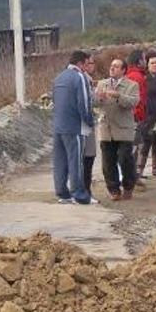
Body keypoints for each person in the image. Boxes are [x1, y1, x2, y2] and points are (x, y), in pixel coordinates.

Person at [52, 50, 94, 205]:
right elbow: (83, 102)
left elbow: (54, 101)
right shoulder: (79, 77)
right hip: (74, 126)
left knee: (60, 161)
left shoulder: (59, 77)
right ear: (81, 63)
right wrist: (89, 121)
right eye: (86, 63)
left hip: (58, 125)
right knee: (76, 161)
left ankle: (62, 193)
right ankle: (79, 194)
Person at [95, 59, 140, 201]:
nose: (112, 68)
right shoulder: (102, 84)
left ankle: (128, 186)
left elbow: (133, 102)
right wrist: (99, 98)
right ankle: (114, 189)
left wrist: (118, 95)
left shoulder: (132, 85)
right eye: (111, 66)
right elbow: (94, 103)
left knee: (124, 159)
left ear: (123, 70)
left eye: (116, 66)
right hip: (106, 129)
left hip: (123, 129)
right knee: (108, 162)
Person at [125, 49, 148, 187]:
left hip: (132, 117)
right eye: (144, 59)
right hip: (135, 118)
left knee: (133, 148)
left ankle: (132, 176)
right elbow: (139, 100)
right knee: (133, 148)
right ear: (139, 61)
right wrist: (139, 116)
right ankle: (130, 178)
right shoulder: (137, 77)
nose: (145, 61)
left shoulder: (130, 74)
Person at [82, 55, 100, 202]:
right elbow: (90, 101)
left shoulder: (86, 79)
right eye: (91, 63)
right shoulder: (84, 80)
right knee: (87, 158)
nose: (93, 66)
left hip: (82, 125)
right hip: (85, 125)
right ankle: (85, 191)